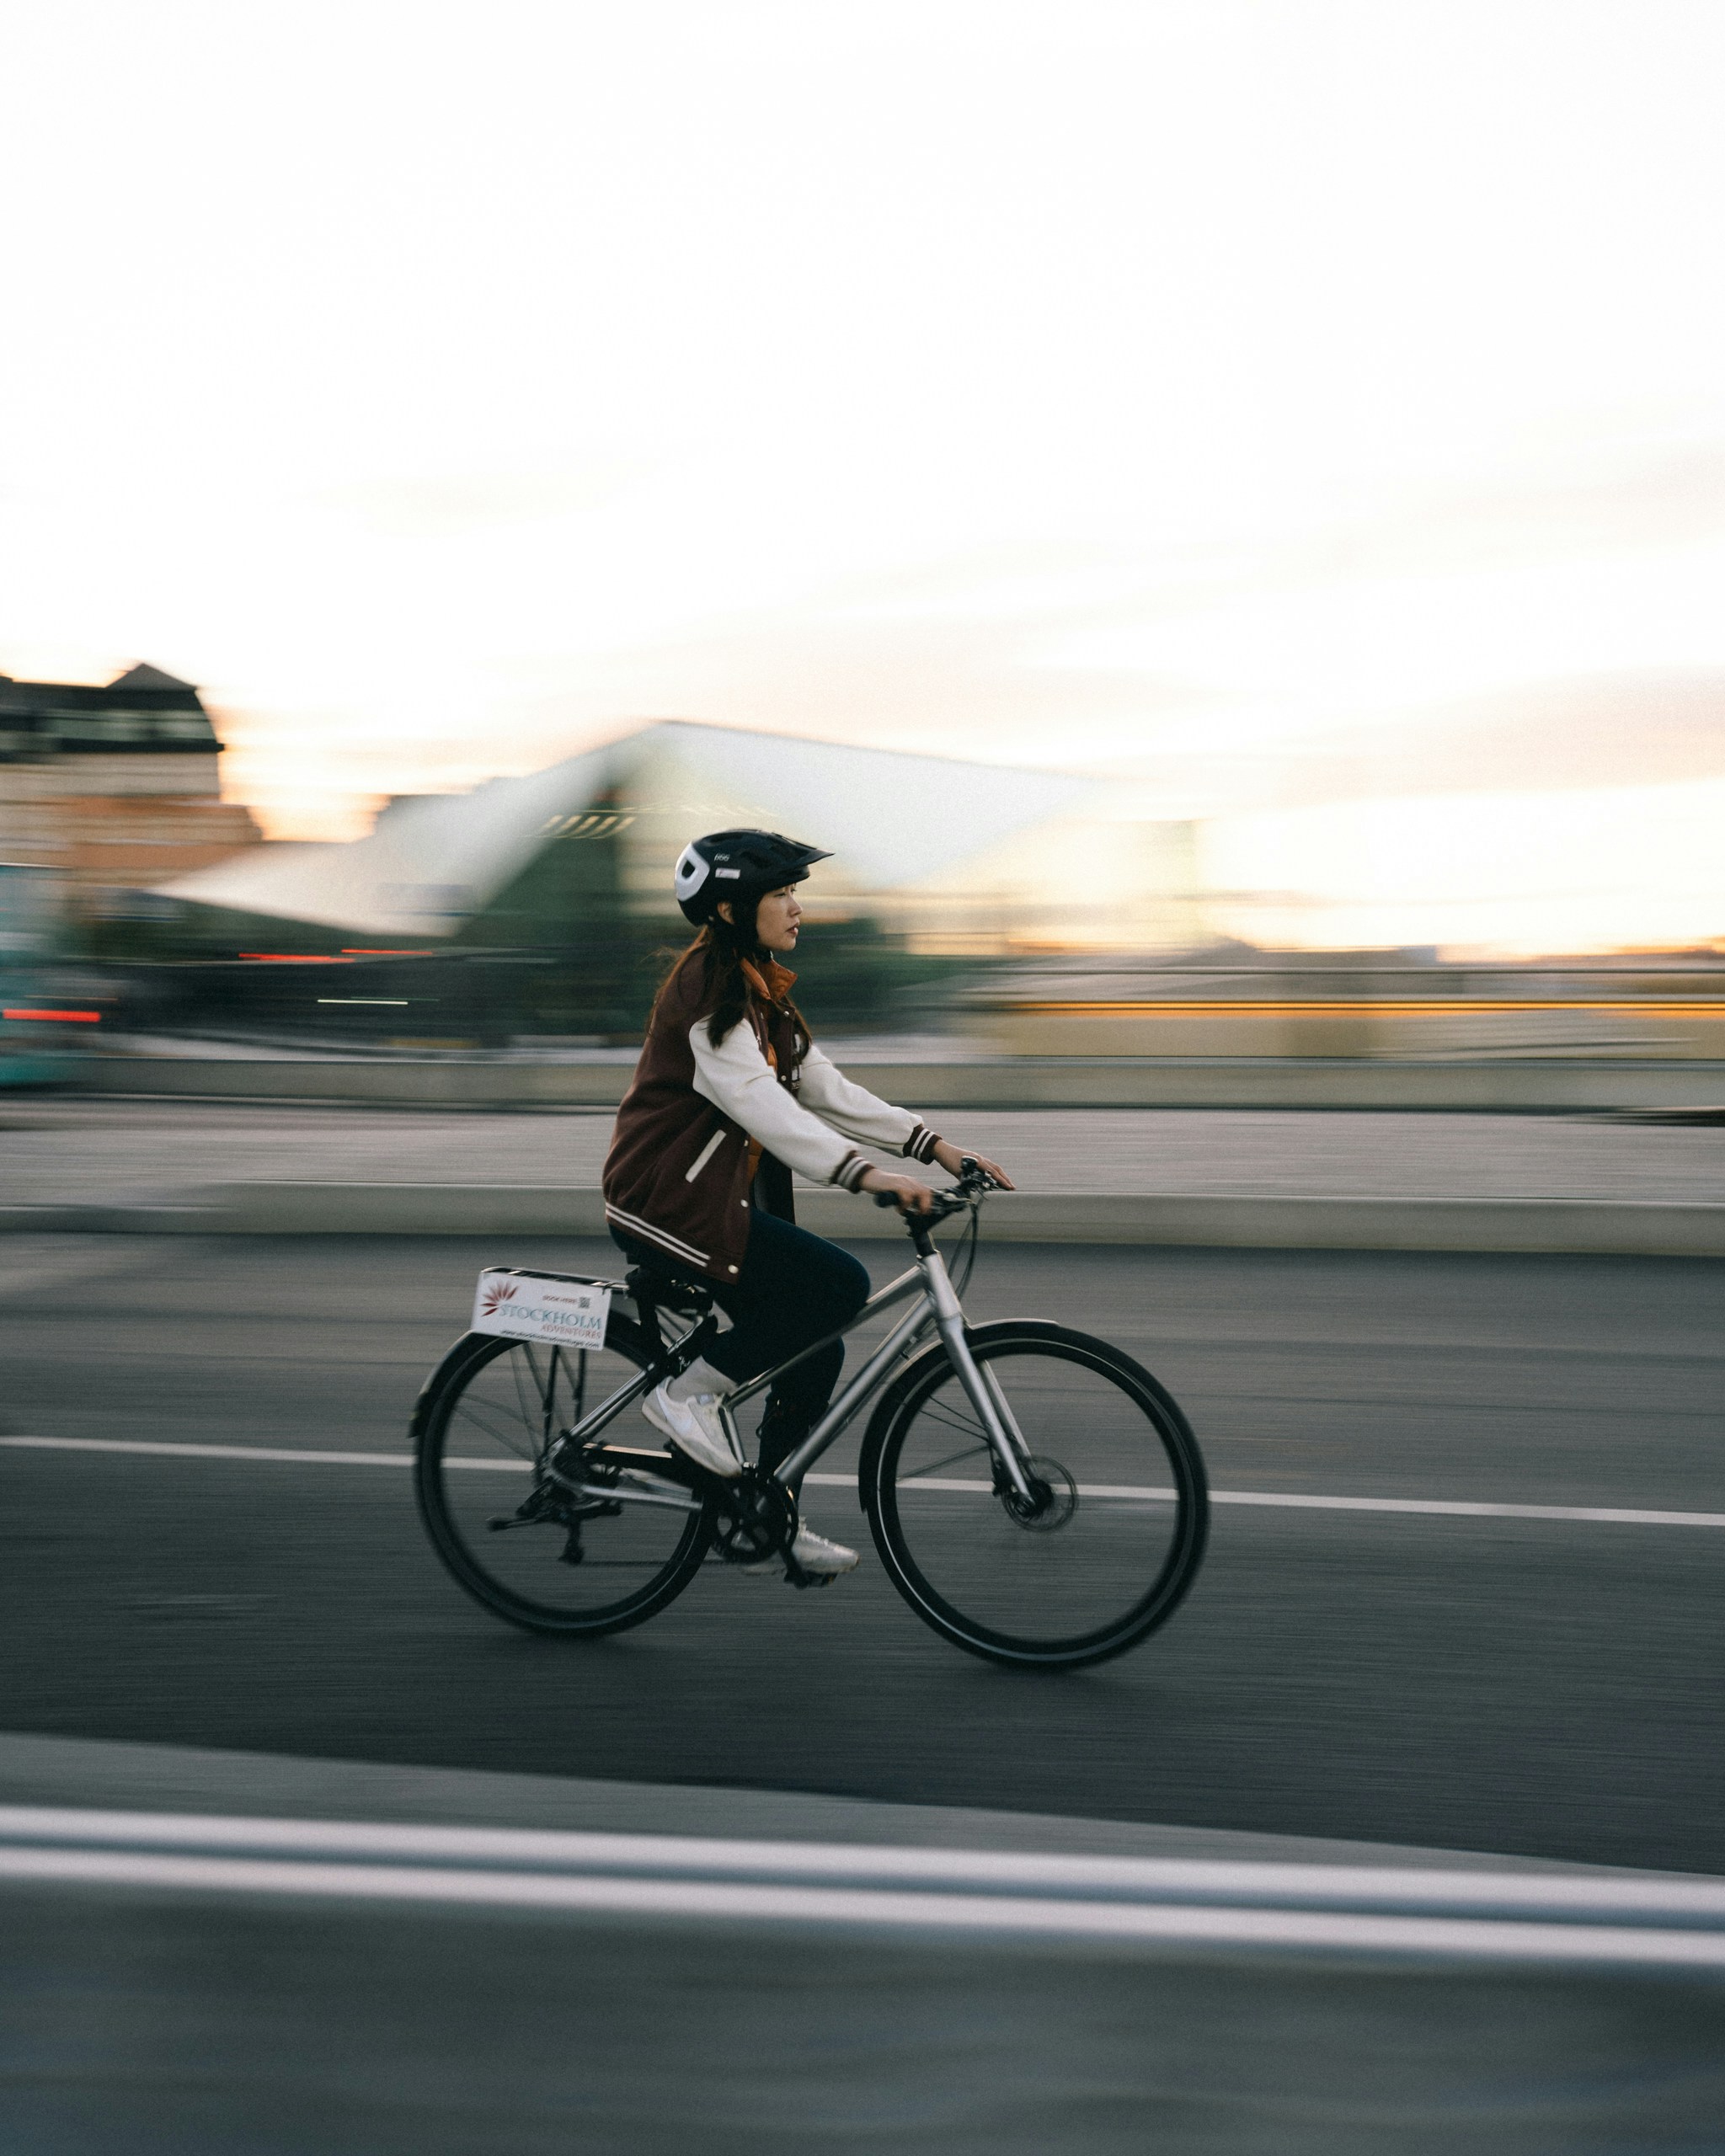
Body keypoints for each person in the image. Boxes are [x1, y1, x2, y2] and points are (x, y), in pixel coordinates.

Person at [602, 828, 1013, 1577]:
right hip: (665, 1201)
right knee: (836, 1286)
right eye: (783, 893)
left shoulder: (761, 989)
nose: (797, 908)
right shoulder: (710, 996)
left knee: (814, 1343)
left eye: (796, 892)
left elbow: (824, 1090)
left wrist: (933, 1146)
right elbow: (765, 1107)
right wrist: (864, 1174)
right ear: (732, 908)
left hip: (708, 1201)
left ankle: (767, 1512)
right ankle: (685, 1397)